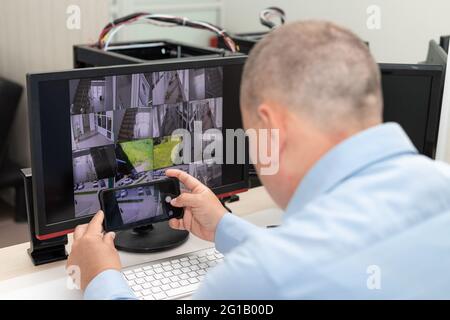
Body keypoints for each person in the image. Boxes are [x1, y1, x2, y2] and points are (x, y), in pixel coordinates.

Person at [67, 20, 450, 299]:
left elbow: (291, 265)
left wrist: (100, 277)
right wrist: (225, 228)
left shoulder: (261, 279)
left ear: (271, 127)